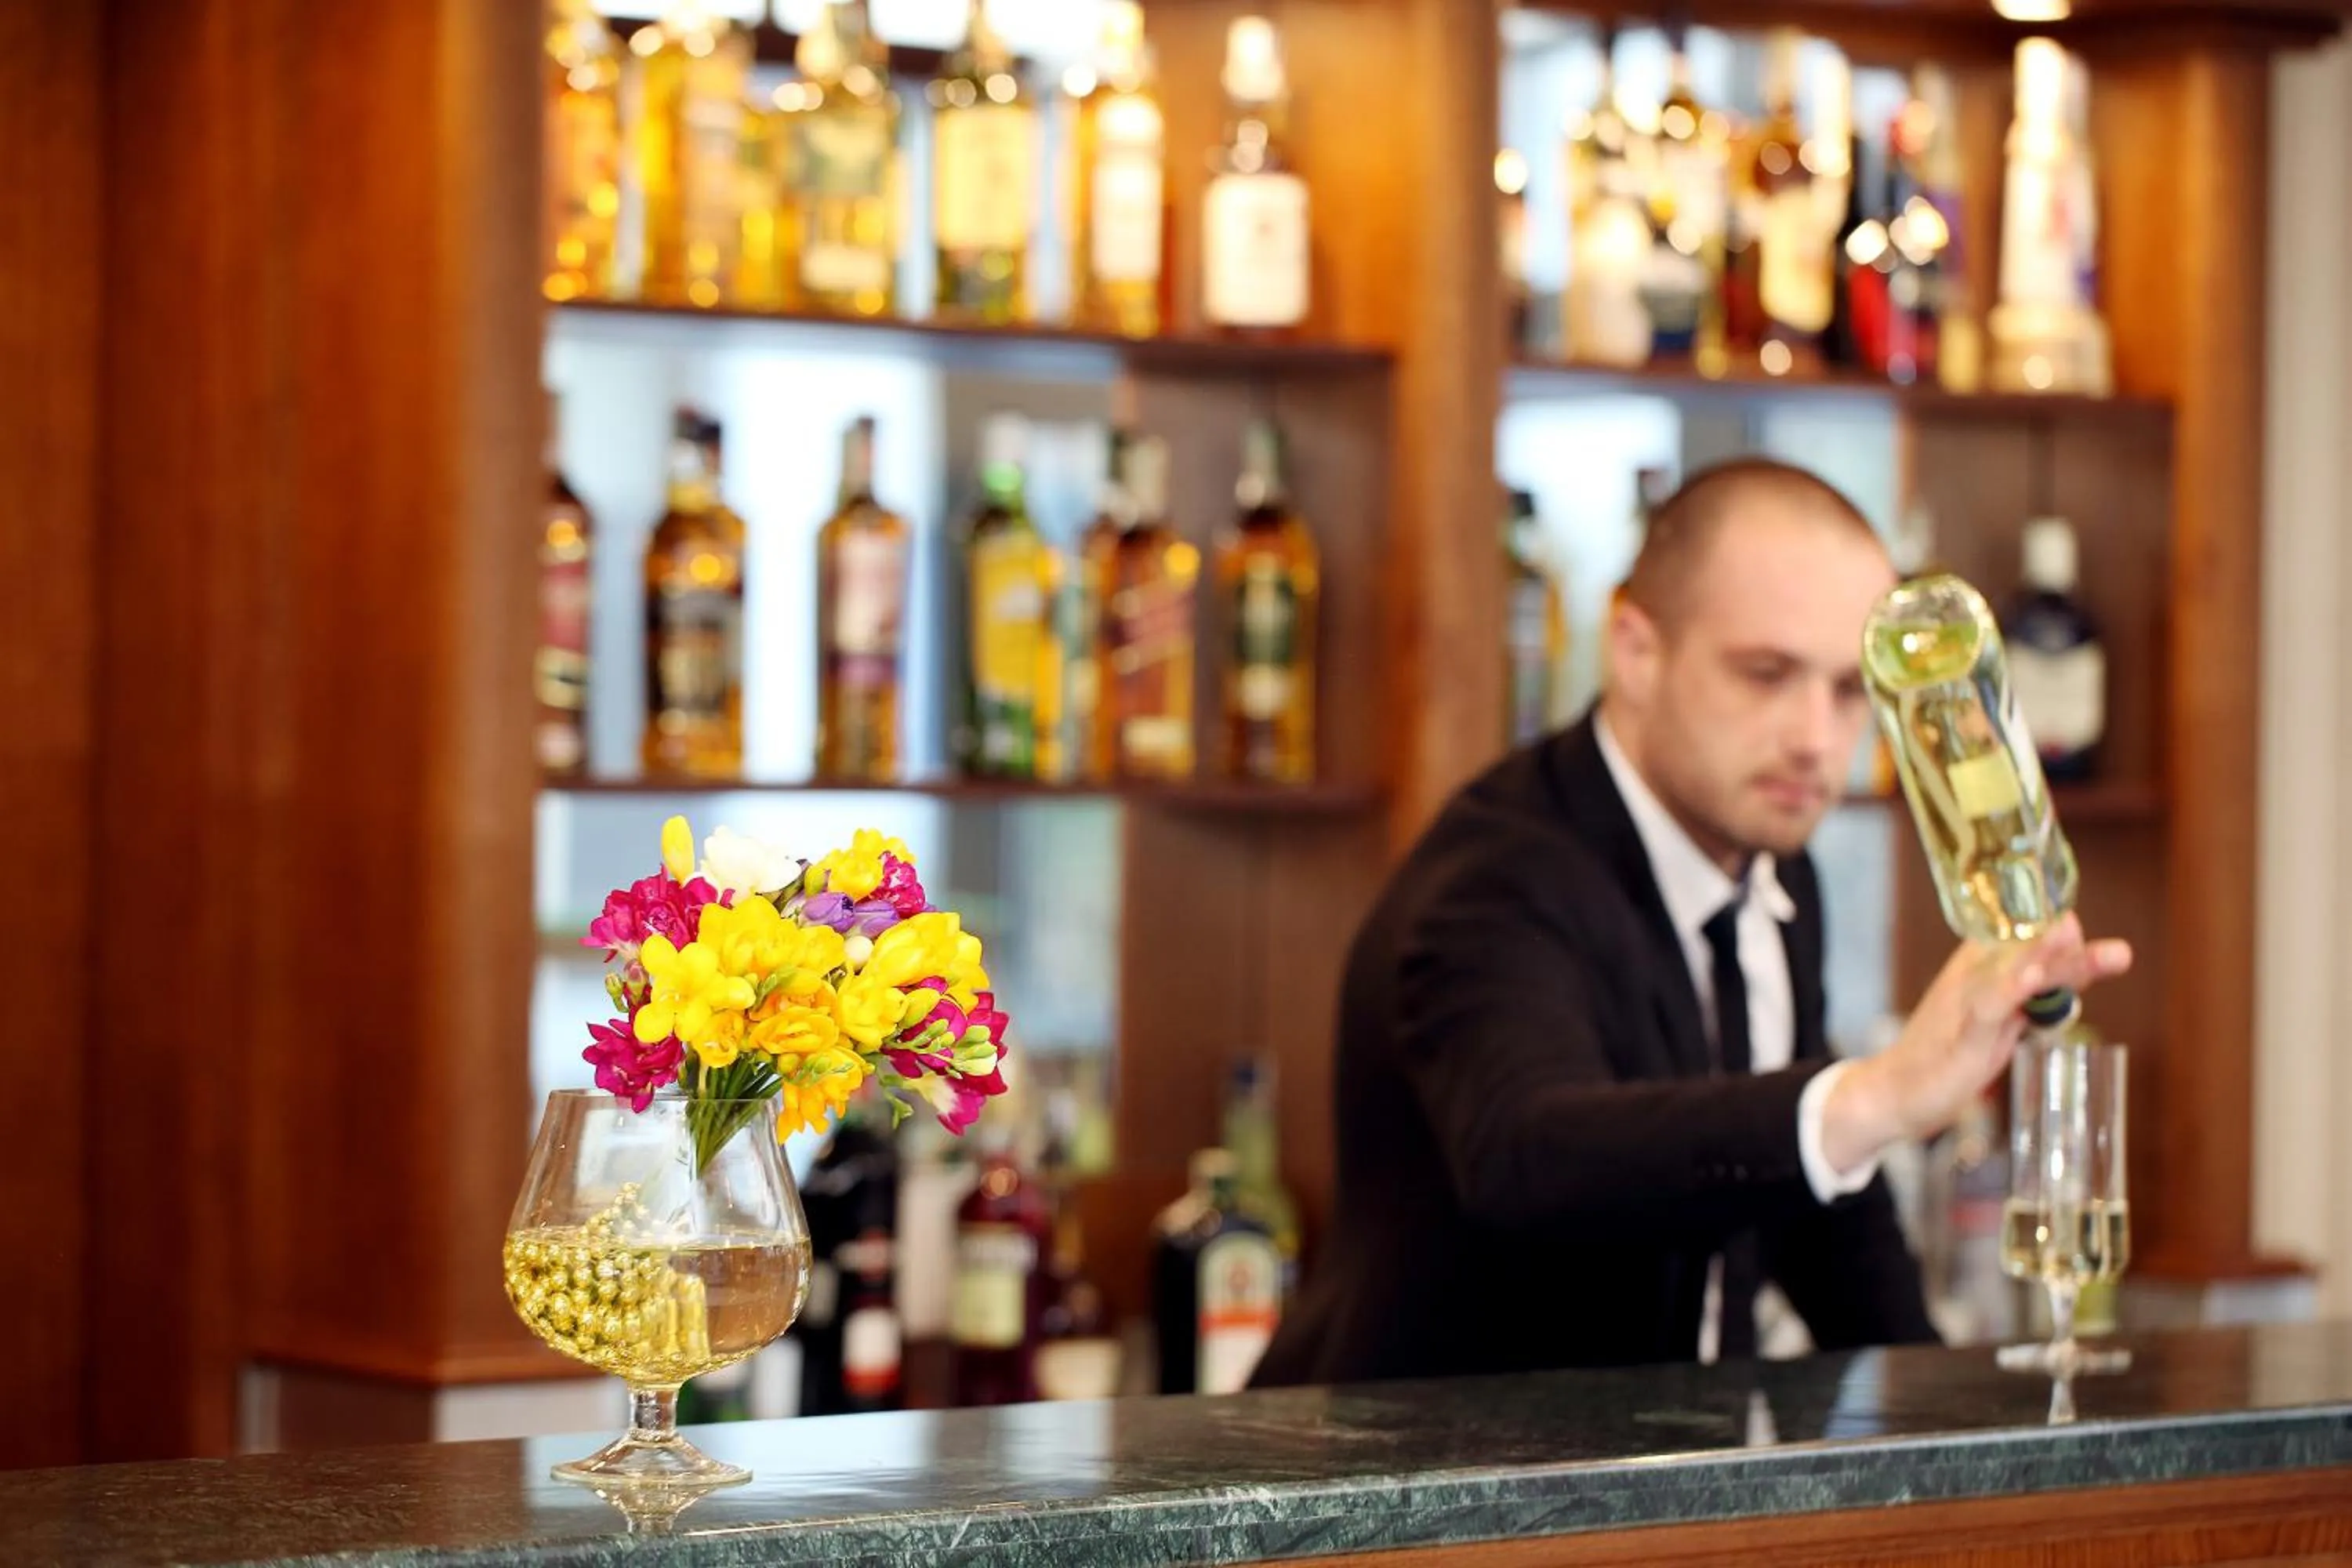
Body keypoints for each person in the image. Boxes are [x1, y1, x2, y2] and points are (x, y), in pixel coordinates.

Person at [1249, 457, 2130, 1388]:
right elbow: (1528, 1155)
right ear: (1634, 649)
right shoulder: (1494, 876)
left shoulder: (1775, 871)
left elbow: (1815, 1211)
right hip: (1414, 1501)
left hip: (1659, 1492)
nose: (1815, 739)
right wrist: (1875, 1094)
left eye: (1846, 691)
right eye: (1766, 673)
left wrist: (1963, 1444)